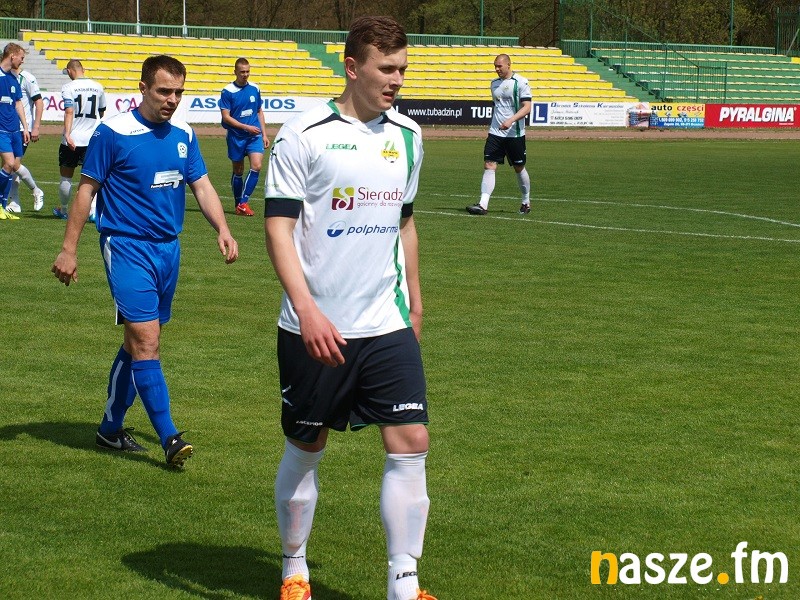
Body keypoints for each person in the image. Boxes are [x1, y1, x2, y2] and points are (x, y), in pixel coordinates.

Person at [265, 16, 436, 600]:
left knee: (411, 441)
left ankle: (403, 583)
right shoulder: (303, 133)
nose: (397, 80)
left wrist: (416, 302)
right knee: (306, 447)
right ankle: (294, 568)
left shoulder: (408, 135)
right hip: (315, 327)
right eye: (386, 69)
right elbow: (279, 228)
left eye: (402, 70)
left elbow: (405, 224)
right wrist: (307, 310)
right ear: (352, 67)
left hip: (386, 322)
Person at [51, 55, 239, 467]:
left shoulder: (184, 133)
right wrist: (69, 248)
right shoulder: (113, 132)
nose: (172, 100)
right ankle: (170, 437)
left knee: (138, 344)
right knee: (148, 343)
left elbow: (202, 185)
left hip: (169, 250)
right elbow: (86, 190)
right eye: (164, 91)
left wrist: (223, 229)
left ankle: (109, 429)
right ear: (142, 88)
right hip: (126, 247)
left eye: (178, 92)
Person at [466, 53, 532, 215]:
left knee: (518, 167)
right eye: (495, 66)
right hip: (495, 132)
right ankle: (483, 205)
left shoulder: (521, 82)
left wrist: (511, 120)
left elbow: (527, 107)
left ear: (509, 65)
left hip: (515, 134)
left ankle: (526, 201)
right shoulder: (494, 83)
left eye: (499, 66)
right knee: (489, 164)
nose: (496, 69)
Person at [54, 59, 106, 221]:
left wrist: (67, 135)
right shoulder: (98, 87)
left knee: (66, 177)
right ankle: (92, 211)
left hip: (73, 139)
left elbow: (69, 111)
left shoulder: (68, 87)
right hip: (92, 139)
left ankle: (64, 210)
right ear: (83, 69)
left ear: (70, 71)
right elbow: (101, 111)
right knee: (92, 177)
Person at [219, 57, 270, 217]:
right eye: (242, 72)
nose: (245, 74)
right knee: (238, 170)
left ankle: (243, 202)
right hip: (236, 137)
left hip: (254, 136)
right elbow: (226, 117)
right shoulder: (228, 91)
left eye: (248, 71)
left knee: (257, 166)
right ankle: (238, 203)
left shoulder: (255, 88)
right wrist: (246, 127)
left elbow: (259, 111)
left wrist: (264, 134)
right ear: (235, 72)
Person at [6, 63, 45, 213]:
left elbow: (39, 102)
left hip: (22, 129)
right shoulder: (4, 77)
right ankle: (14, 202)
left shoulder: (27, 78)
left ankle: (36, 190)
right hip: (6, 127)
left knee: (13, 164)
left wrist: (35, 127)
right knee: (8, 165)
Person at [0, 43, 29, 221]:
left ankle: (3, 207)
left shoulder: (13, 78)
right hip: (1, 130)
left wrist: (25, 127)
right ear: (12, 56)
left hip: (14, 130)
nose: (22, 61)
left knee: (11, 168)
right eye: (21, 57)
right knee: (9, 164)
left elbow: (18, 104)